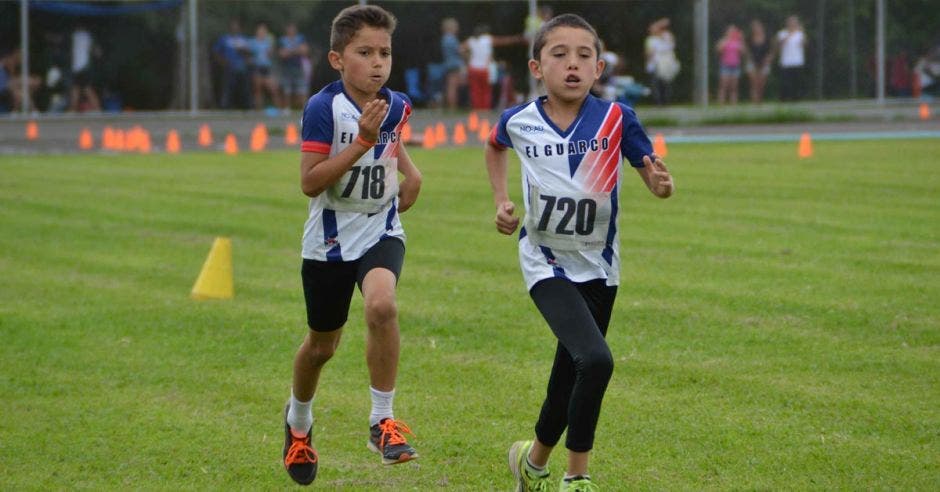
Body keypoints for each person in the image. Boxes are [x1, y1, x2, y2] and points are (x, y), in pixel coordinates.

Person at [485, 13, 674, 492]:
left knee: (570, 373)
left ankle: (532, 462)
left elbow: (648, 166)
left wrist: (657, 182)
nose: (572, 64)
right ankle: (577, 475)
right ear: (536, 66)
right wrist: (502, 203)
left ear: (599, 67)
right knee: (597, 360)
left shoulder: (616, 117)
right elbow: (494, 146)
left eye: (584, 56)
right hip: (545, 262)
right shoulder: (519, 121)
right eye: (559, 54)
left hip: (600, 266)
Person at [283, 4, 423, 486]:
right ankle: (298, 424)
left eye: (385, 52)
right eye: (365, 52)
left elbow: (393, 138)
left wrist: (411, 171)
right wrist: (361, 143)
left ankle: (382, 421)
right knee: (322, 346)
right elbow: (310, 182)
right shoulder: (324, 109)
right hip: (329, 242)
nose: (378, 62)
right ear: (337, 59)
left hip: (380, 228)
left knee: (382, 306)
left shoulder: (398, 104)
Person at [464, 24, 524, 110]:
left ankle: (477, 109)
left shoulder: (471, 41)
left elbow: (460, 48)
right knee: (486, 90)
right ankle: (485, 108)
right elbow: (503, 41)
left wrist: (467, 58)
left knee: (475, 90)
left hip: (473, 68)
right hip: (484, 69)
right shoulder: (487, 39)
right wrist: (517, 38)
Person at [213, 19, 251, 109]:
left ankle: (246, 106)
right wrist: (222, 62)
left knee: (244, 88)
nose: (235, 28)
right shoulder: (224, 39)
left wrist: (244, 53)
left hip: (242, 66)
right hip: (229, 66)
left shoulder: (243, 39)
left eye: (236, 26)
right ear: (230, 28)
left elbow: (249, 52)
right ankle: (225, 106)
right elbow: (216, 52)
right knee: (228, 87)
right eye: (233, 26)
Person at [644, 17, 679, 105]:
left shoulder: (666, 36)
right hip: (655, 64)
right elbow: (648, 53)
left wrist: (660, 25)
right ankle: (658, 102)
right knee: (656, 84)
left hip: (667, 64)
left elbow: (666, 21)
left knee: (666, 84)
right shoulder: (651, 40)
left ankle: (666, 101)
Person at [279, 22, 311, 111]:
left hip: (299, 67)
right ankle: (286, 109)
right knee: (286, 89)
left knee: (302, 89)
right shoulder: (282, 40)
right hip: (286, 68)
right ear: (286, 30)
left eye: (292, 28)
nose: (291, 30)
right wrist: (296, 50)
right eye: (289, 29)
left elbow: (305, 51)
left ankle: (305, 109)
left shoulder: (301, 38)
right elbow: (282, 54)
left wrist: (289, 51)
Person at [248, 23, 280, 110]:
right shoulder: (252, 42)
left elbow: (271, 54)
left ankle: (278, 110)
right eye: (260, 31)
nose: (262, 32)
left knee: (273, 89)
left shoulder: (268, 42)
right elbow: (248, 54)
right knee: (258, 90)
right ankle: (259, 110)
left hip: (267, 68)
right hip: (257, 67)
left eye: (264, 31)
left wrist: (271, 50)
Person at [69, 24, 101, 112]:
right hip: (82, 67)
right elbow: (97, 52)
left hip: (79, 67)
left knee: (83, 89)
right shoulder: (88, 37)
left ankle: (97, 109)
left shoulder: (75, 36)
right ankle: (73, 109)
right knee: (77, 88)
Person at [775, 15, 806, 101]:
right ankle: (783, 98)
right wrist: (789, 33)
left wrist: (802, 32)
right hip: (786, 61)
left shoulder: (800, 34)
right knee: (785, 82)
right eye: (790, 22)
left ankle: (796, 98)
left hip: (797, 61)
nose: (792, 24)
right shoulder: (782, 33)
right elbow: (780, 44)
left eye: (794, 22)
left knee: (797, 82)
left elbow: (803, 44)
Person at [439, 17, 464, 110]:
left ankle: (450, 105)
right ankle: (452, 106)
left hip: (448, 64)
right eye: (455, 27)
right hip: (454, 65)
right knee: (452, 87)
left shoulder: (444, 39)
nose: (457, 29)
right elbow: (459, 50)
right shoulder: (451, 39)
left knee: (450, 86)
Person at [716, 25, 745, 104]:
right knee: (723, 85)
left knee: (734, 86)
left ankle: (733, 103)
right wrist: (726, 40)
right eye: (730, 31)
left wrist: (741, 39)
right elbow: (718, 50)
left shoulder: (738, 42)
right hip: (725, 65)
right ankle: (721, 103)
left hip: (735, 65)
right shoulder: (723, 40)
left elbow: (743, 52)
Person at [745, 19, 772, 103]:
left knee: (761, 84)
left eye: (758, 27)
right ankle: (754, 101)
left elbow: (771, 50)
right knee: (753, 83)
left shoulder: (767, 38)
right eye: (754, 27)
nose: (756, 29)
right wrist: (750, 59)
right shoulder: (749, 38)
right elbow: (747, 50)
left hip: (764, 62)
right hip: (752, 62)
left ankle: (759, 100)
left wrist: (768, 58)